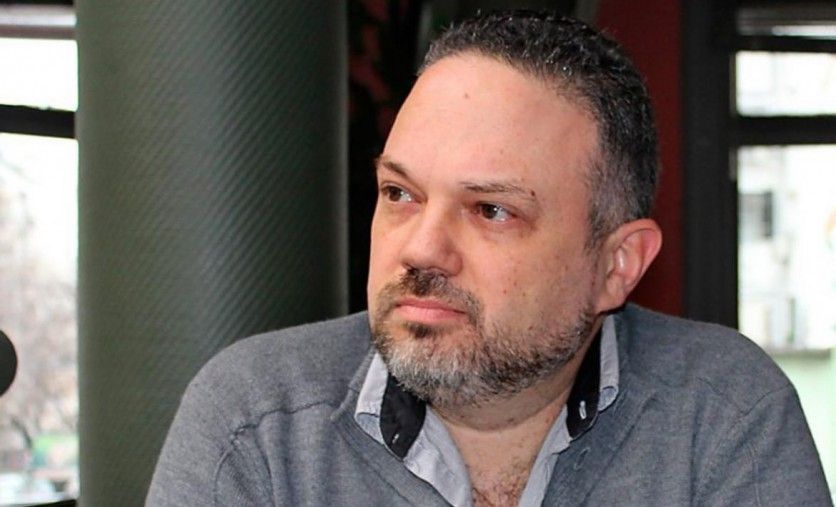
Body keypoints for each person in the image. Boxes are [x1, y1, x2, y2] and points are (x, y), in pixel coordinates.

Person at [146, 11, 831, 506]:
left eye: (491, 210)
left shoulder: (723, 417)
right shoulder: (258, 426)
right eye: (400, 193)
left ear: (616, 265)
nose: (420, 248)